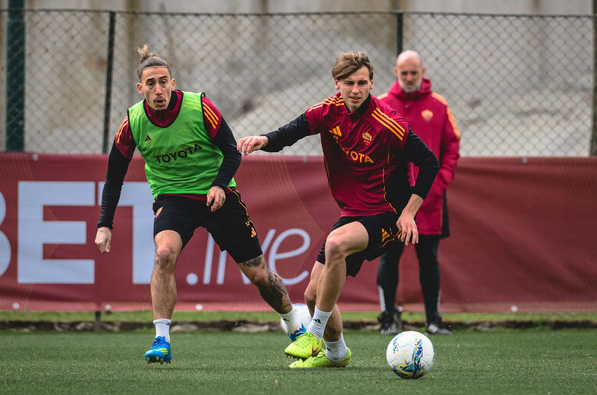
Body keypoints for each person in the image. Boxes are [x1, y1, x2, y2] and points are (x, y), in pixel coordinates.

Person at [94, 45, 306, 364]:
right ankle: (161, 339)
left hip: (216, 194)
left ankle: (294, 325)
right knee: (164, 254)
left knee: (259, 275)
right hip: (173, 198)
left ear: (173, 83)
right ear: (140, 89)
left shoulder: (199, 107)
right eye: (151, 84)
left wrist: (219, 185)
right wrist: (104, 224)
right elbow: (114, 177)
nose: (158, 89)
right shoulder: (133, 123)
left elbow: (232, 151)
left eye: (163, 82)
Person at [237, 51, 439, 368]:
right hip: (353, 213)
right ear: (337, 83)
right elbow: (291, 132)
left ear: (372, 83)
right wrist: (263, 139)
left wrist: (409, 212)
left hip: (388, 214)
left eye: (362, 82)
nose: (355, 89)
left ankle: (314, 335)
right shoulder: (328, 112)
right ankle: (336, 354)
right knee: (312, 296)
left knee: (335, 244)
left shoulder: (388, 123)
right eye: (348, 83)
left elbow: (429, 162)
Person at [376, 50, 460, 336]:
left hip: (431, 198)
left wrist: (441, 181)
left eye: (414, 72)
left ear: (423, 71)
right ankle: (387, 318)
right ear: (396, 73)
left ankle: (433, 320)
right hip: (393, 200)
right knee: (389, 256)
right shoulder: (382, 105)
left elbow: (452, 145)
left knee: (429, 258)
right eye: (404, 73)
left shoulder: (438, 105)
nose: (410, 77)